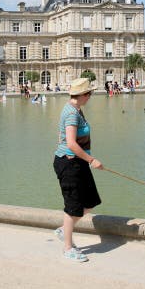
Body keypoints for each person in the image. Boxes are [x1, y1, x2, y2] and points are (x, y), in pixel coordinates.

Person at [53, 78, 103, 262]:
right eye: (89, 93)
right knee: (73, 207)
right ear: (82, 95)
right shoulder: (71, 113)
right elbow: (71, 144)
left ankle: (64, 229)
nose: (90, 97)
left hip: (78, 162)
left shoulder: (76, 109)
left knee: (90, 202)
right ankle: (67, 248)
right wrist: (92, 160)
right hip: (69, 163)